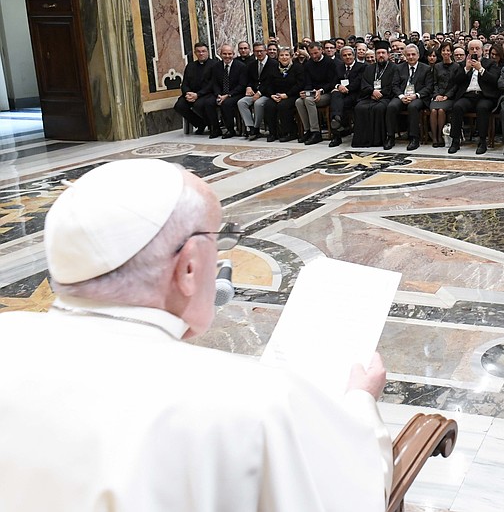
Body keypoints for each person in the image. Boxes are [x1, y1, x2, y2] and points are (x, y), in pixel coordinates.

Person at [0, 159, 392, 510]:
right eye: (218, 241)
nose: (221, 261)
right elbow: (352, 490)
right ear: (188, 268)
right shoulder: (254, 402)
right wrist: (361, 403)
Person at [385, 44, 433, 151]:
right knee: (391, 106)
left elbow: (429, 87)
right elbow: (395, 85)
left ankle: (414, 138)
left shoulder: (426, 69)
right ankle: (390, 137)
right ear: (405, 56)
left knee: (413, 107)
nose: (411, 57)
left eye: (413, 54)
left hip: (418, 97)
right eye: (408, 55)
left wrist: (415, 96)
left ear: (418, 55)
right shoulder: (399, 68)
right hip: (402, 95)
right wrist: (402, 96)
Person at [353, 45, 395, 148]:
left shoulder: (394, 68)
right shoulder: (369, 68)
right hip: (369, 95)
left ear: (388, 55)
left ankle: (378, 140)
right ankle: (362, 141)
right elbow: (364, 82)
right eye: (378, 53)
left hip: (386, 97)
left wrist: (381, 93)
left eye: (383, 53)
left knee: (379, 108)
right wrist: (372, 91)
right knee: (359, 107)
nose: (381, 55)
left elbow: (394, 84)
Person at [295, 44, 337, 145]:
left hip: (327, 92)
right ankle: (308, 130)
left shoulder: (329, 62)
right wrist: (306, 92)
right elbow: (308, 81)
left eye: (316, 53)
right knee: (299, 101)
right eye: (311, 54)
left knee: (309, 100)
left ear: (321, 50)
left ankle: (316, 132)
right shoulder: (308, 64)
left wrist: (320, 91)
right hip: (313, 92)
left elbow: (332, 82)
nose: (314, 56)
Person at [204, 43, 247, 139]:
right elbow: (214, 83)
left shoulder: (241, 66)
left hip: (236, 94)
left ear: (233, 54)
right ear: (220, 54)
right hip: (220, 93)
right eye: (225, 54)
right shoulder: (216, 67)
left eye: (229, 54)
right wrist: (218, 94)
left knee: (226, 103)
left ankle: (230, 129)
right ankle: (215, 128)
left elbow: (242, 85)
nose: (227, 56)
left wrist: (228, 95)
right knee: (208, 103)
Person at [328, 46, 366, 147]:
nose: (347, 57)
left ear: (354, 55)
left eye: (349, 55)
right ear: (341, 57)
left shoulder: (362, 67)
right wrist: (338, 86)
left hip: (355, 94)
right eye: (345, 55)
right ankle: (337, 122)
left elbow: (358, 82)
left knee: (337, 104)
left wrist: (346, 88)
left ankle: (337, 122)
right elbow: (332, 82)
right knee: (335, 95)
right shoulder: (338, 67)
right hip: (341, 93)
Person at [174, 43, 215, 134]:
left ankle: (211, 124)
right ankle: (200, 123)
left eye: (203, 51)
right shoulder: (190, 66)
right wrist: (187, 93)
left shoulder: (214, 64)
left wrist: (198, 95)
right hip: (191, 94)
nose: (201, 54)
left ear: (207, 52)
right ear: (195, 53)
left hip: (206, 93)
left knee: (199, 105)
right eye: (198, 51)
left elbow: (213, 84)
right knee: (179, 105)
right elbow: (184, 83)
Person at [264, 47, 303, 142]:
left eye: (286, 55)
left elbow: (300, 84)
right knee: (269, 105)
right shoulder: (273, 68)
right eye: (281, 55)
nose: (284, 57)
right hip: (276, 95)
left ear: (291, 57)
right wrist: (272, 95)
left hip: (292, 95)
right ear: (278, 57)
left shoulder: (297, 67)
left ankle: (290, 132)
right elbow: (268, 84)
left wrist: (287, 95)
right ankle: (273, 133)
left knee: (283, 106)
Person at [238, 42, 275, 141]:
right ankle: (250, 127)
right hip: (254, 92)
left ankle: (256, 127)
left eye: (261, 51)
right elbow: (250, 79)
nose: (259, 54)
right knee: (241, 102)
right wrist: (249, 87)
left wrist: (260, 93)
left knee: (258, 103)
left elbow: (270, 82)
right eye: (256, 51)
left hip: (267, 93)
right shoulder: (252, 64)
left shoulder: (273, 64)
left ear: (266, 51)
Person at [429, 44, 460, 148]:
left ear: (451, 52)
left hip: (450, 97)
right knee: (434, 111)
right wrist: (437, 95)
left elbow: (456, 84)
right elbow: (435, 83)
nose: (446, 52)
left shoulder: (456, 66)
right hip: (438, 96)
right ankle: (435, 137)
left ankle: (442, 137)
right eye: (443, 50)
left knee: (441, 110)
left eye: (448, 50)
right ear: (441, 52)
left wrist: (447, 96)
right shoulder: (437, 66)